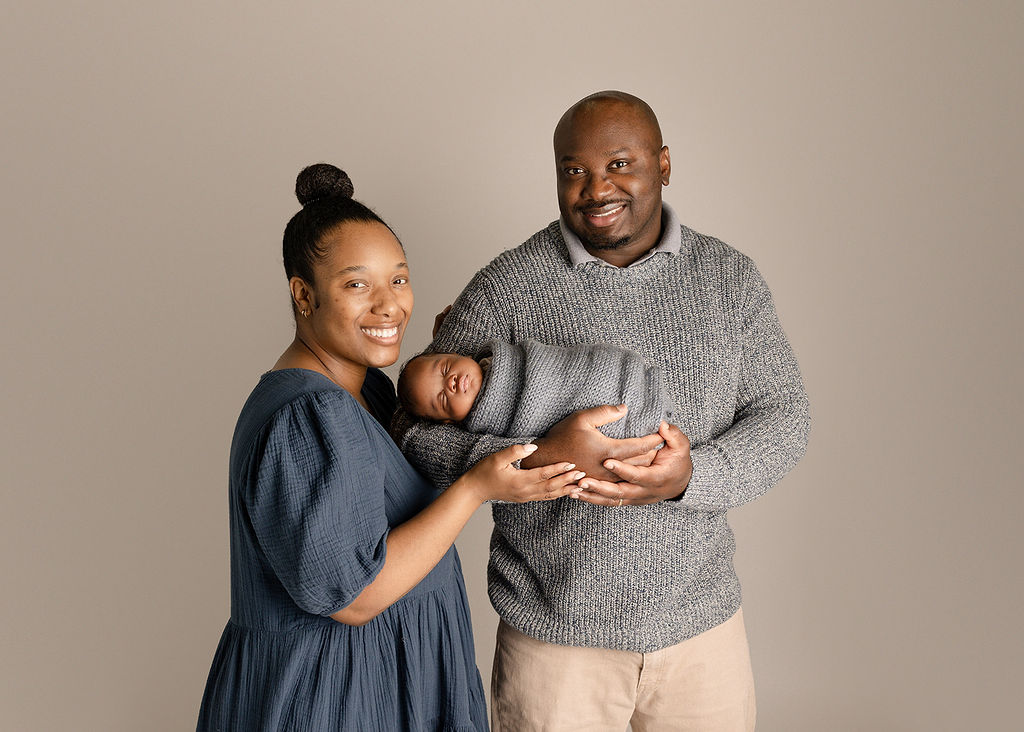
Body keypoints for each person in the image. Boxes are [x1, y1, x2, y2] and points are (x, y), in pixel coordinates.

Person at [395, 92, 811, 731]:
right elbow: (414, 429)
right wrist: (535, 460)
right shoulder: (509, 286)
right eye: (573, 170)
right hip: (555, 643)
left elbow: (783, 417)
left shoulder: (729, 280)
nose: (596, 188)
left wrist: (691, 477)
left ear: (664, 164)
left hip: (701, 634)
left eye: (620, 163)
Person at [195, 163, 583, 732]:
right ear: (303, 295)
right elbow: (354, 597)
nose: (389, 305)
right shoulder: (307, 416)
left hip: (389, 677)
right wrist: (476, 487)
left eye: (398, 279)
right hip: (333, 693)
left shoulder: (366, 388)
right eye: (357, 285)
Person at [396, 339, 673, 438]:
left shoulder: (508, 356)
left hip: (602, 371)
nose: (452, 383)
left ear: (455, 354)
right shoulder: (489, 430)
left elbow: (564, 365)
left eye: (445, 369)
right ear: (448, 421)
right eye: (442, 398)